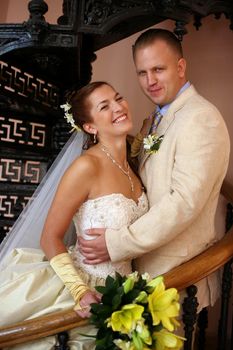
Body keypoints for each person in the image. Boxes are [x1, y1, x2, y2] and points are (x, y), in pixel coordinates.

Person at [79, 29, 230, 317]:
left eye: (158, 69)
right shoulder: (154, 119)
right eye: (142, 72)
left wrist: (117, 243)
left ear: (181, 67)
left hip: (175, 276)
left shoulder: (201, 118)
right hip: (140, 271)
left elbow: (184, 202)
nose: (150, 81)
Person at [0, 81, 149, 349]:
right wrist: (80, 291)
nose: (118, 107)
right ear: (90, 127)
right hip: (84, 284)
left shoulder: (133, 163)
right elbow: (49, 237)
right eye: (105, 106)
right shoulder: (85, 167)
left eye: (118, 98)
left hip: (126, 291)